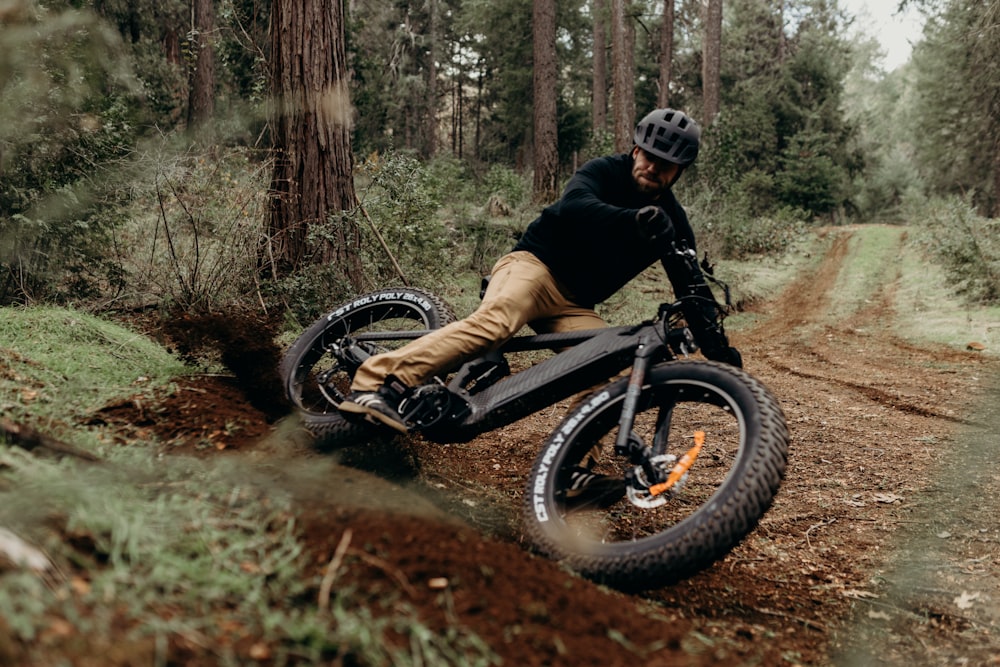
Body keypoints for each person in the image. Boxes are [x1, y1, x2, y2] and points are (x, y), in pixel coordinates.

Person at [339, 108, 740, 437]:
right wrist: (634, 219)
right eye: (649, 155)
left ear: (680, 171)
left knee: (606, 373)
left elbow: (692, 287)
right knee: (496, 323)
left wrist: (722, 357)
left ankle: (571, 468)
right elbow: (574, 206)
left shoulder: (671, 220)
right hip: (532, 266)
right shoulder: (605, 171)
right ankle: (375, 382)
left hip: (574, 305)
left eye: (666, 164)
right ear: (635, 149)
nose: (653, 167)